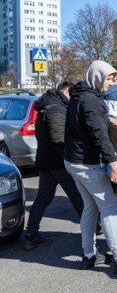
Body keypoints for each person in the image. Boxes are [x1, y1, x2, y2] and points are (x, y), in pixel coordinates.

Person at [64, 60, 117, 273]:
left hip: (73, 162)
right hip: (86, 164)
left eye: (113, 78)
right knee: (110, 206)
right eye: (109, 78)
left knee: (91, 206)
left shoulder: (80, 95)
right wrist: (113, 163)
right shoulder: (91, 101)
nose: (111, 83)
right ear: (97, 77)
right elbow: (99, 135)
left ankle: (88, 255)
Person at [23, 82, 85, 251]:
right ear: (65, 91)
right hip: (58, 162)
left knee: (43, 198)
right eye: (70, 94)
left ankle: (31, 235)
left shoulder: (46, 106)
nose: (72, 98)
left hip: (46, 161)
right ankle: (94, 229)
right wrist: (70, 159)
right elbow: (58, 139)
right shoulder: (56, 109)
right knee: (77, 195)